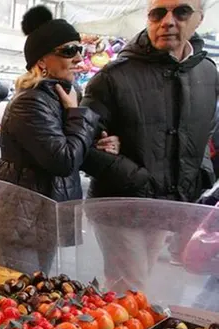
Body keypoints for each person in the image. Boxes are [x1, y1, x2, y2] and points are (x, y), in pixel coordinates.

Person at [81, 0, 219, 291]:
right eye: (158, 13)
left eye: (181, 12)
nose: (167, 21)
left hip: (166, 205)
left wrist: (200, 174)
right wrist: (136, 177)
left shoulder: (207, 72)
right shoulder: (113, 76)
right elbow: (82, 144)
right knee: (130, 289)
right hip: (120, 204)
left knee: (136, 288)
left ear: (199, 19)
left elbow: (204, 133)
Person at [0, 6, 104, 274]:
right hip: (20, 220)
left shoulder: (62, 96)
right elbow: (63, 159)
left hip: (43, 214)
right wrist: (77, 116)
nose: (78, 57)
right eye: (68, 50)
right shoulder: (31, 101)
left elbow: (76, 149)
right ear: (41, 62)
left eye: (79, 48)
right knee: (23, 294)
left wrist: (100, 140)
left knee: (39, 291)